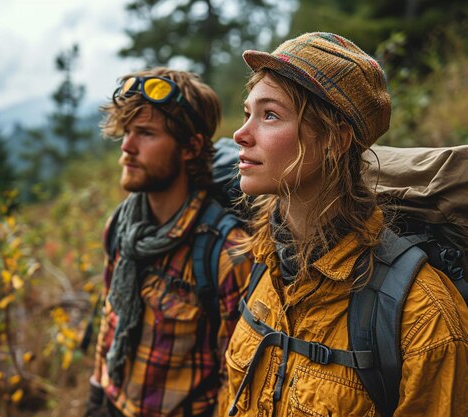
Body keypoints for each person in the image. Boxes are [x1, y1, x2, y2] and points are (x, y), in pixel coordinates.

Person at [223, 32, 468, 417]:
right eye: (247, 112)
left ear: (335, 139)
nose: (240, 134)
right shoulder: (264, 263)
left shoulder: (422, 315)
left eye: (270, 115)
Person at [86, 68, 253, 417]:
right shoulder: (122, 226)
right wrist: (98, 391)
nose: (127, 147)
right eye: (127, 132)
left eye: (146, 134)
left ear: (190, 147)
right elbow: (111, 315)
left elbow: (235, 379)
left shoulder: (225, 254)